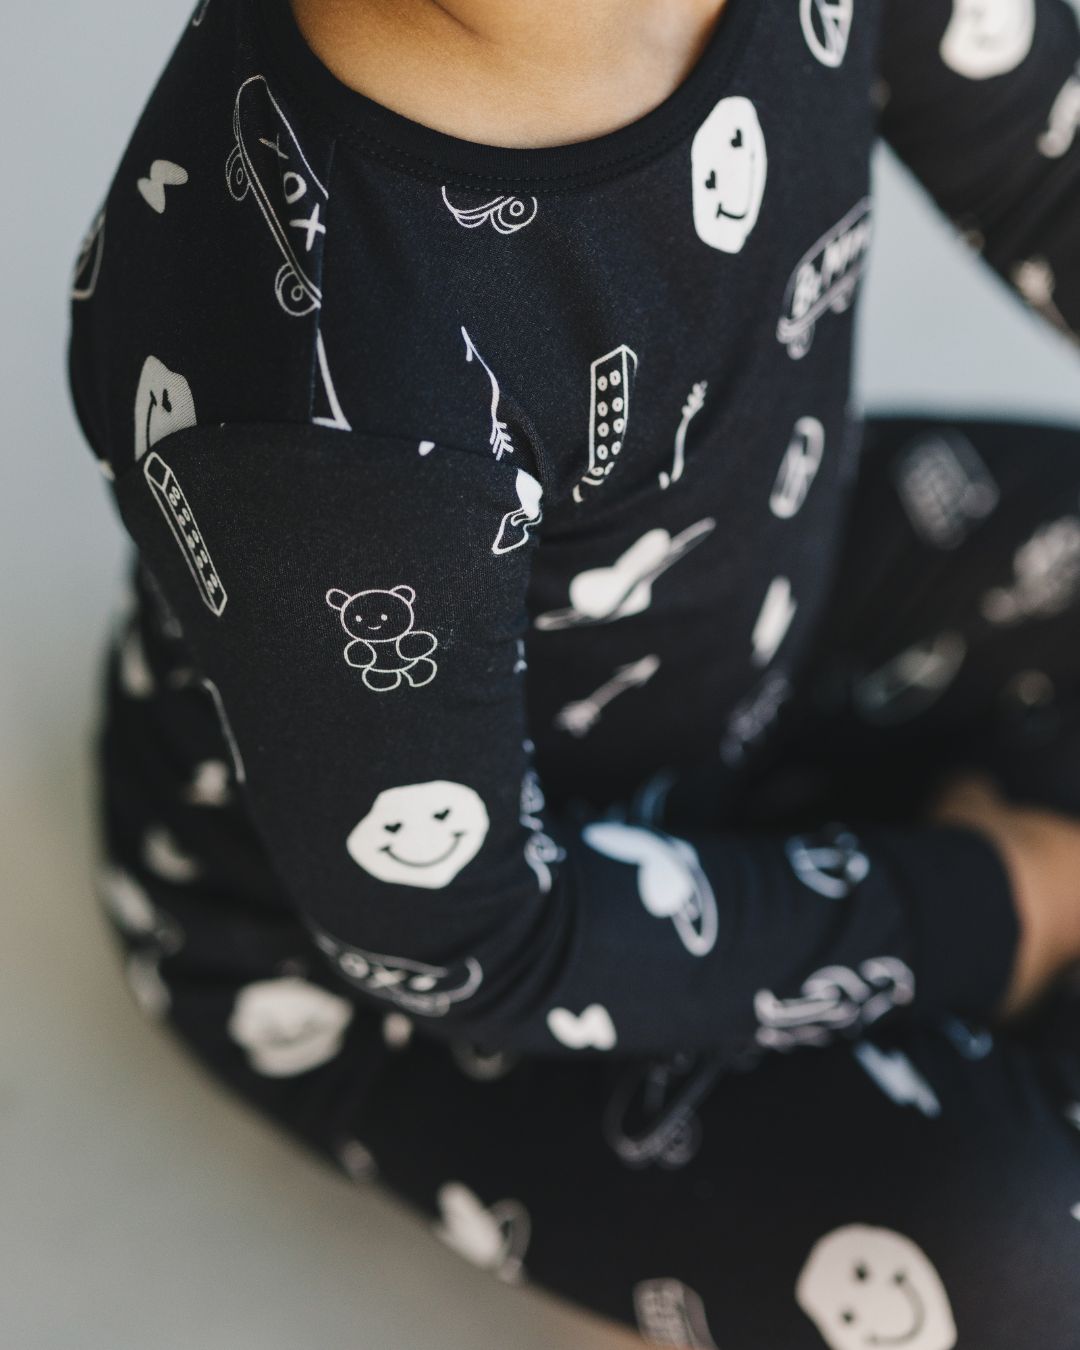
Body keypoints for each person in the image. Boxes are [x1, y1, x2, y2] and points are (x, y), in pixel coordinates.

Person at [66, 0, 1080, 1342]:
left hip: (754, 602)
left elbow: (1049, 172)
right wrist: (994, 907)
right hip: (421, 953)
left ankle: (877, 872)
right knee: (1006, 1245)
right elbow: (474, 939)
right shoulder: (309, 381)